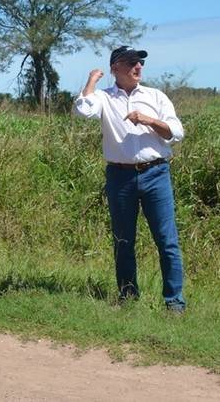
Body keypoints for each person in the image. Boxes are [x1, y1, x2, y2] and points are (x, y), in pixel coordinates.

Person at [73, 46, 186, 311]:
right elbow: (83, 110)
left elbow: (176, 132)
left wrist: (149, 120)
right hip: (120, 176)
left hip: (156, 173)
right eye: (131, 62)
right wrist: (92, 79)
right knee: (123, 240)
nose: (138, 67)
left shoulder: (155, 96)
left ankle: (175, 303)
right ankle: (128, 297)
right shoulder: (104, 97)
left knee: (167, 241)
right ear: (115, 68)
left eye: (140, 62)